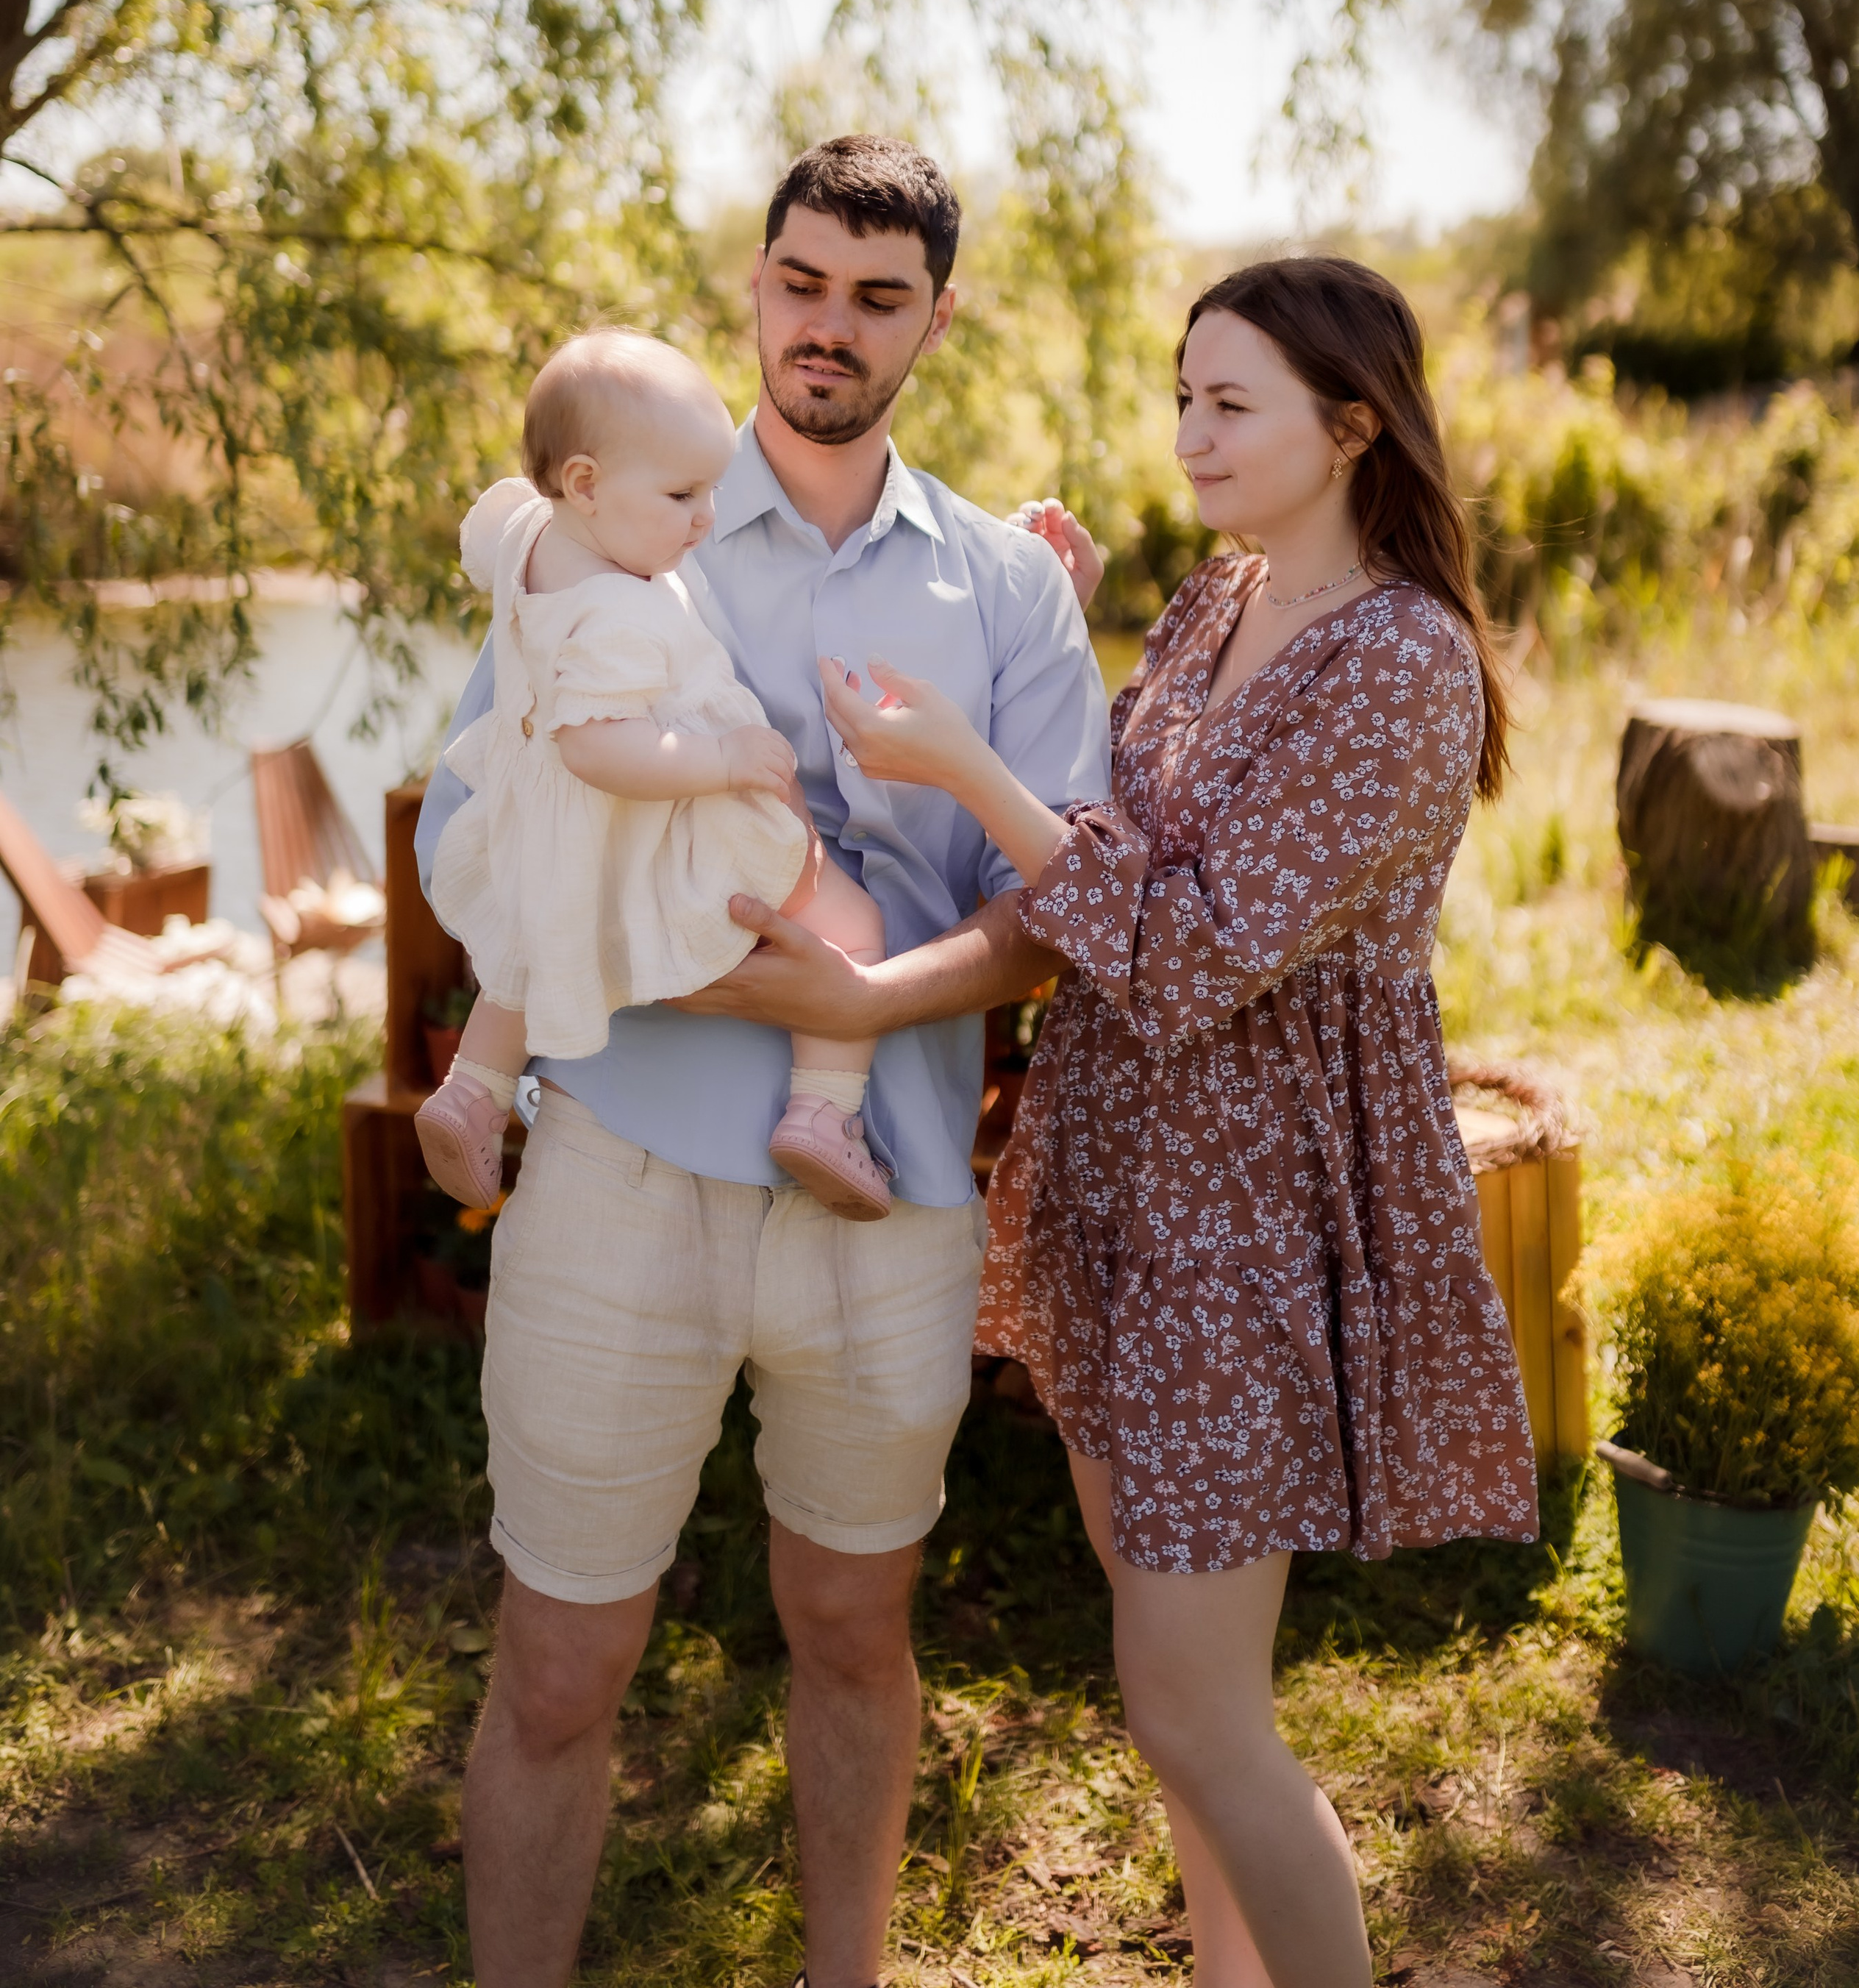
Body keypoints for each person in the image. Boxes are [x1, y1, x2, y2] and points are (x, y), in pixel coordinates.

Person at [413, 134, 1110, 1988]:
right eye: (801, 280)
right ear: (755, 280)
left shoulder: (1008, 588)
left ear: (934, 321)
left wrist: (864, 1008)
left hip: (890, 1196)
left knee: (856, 1631)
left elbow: (1058, 907)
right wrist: (715, 979)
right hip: (620, 1170)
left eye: (877, 297)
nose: (828, 323)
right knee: (559, 1665)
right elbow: (474, 831)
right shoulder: (605, 527)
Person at [822, 254, 1538, 1988]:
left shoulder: (1399, 660)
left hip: (1248, 1206)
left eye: (1230, 403)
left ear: (1350, 426)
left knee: (1192, 1706)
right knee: (1181, 1700)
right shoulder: (1218, 601)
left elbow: (1192, 944)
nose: (1188, 435)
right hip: (1119, 1172)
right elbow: (1115, 835)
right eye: (1180, 398)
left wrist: (967, 770)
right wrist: (1044, 635)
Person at [414, 329, 896, 1219]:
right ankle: (825, 1111)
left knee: (530, 938)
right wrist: (722, 760)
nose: (706, 519)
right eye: (681, 496)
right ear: (585, 484)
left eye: (710, 490)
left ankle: (473, 1090)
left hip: (544, 823)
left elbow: (485, 538)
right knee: (852, 924)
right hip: (649, 816)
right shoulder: (616, 614)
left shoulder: (529, 534)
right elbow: (596, 749)